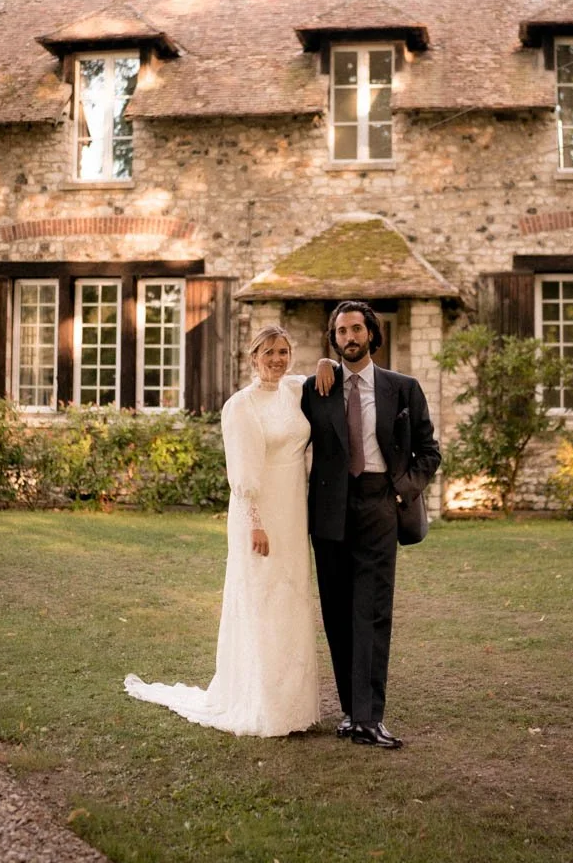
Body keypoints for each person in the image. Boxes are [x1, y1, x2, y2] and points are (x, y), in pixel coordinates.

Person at [125, 326, 327, 737]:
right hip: (261, 513)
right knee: (262, 598)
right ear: (253, 358)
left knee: (290, 598)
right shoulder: (241, 406)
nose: (277, 359)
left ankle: (293, 705)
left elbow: (323, 377)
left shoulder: (293, 391)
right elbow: (242, 473)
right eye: (269, 352)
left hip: (293, 511)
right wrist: (256, 524)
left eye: (283, 352)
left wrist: (325, 361)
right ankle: (263, 705)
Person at [301, 301, 441, 749]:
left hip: (380, 504)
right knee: (338, 613)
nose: (349, 337)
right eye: (341, 331)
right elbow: (272, 388)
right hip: (329, 511)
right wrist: (321, 365)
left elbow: (429, 451)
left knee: (373, 611)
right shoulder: (316, 388)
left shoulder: (403, 388)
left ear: (371, 334)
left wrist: (403, 489)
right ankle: (350, 712)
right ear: (334, 339)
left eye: (356, 329)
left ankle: (369, 718)